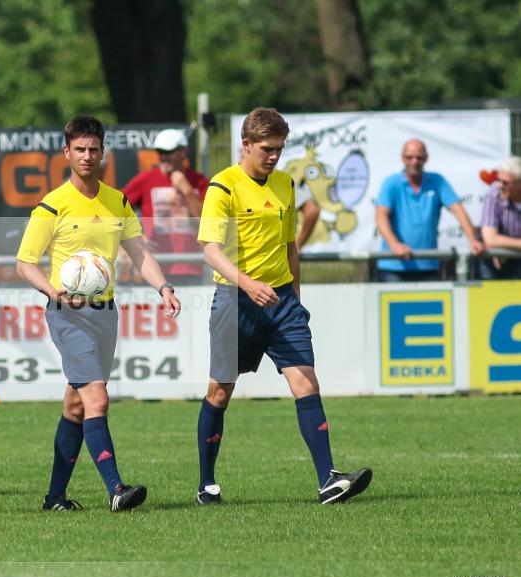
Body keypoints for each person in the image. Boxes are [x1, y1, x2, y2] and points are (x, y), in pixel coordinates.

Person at [197, 107, 372, 505]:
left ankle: (328, 479)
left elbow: (290, 245)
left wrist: (295, 296)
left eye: (278, 148)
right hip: (235, 302)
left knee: (306, 381)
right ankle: (207, 484)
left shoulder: (285, 184)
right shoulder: (222, 187)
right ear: (246, 145)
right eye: (266, 148)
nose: (273, 156)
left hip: (282, 302)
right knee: (220, 391)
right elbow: (210, 249)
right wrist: (247, 283)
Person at [16, 116, 181, 512]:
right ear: (67, 153)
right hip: (67, 314)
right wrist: (53, 290)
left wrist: (163, 286)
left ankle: (54, 498)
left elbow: (139, 252)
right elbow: (24, 263)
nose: (87, 156)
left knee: (75, 406)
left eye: (93, 149)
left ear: (102, 152)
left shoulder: (117, 200)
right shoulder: (52, 205)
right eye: (80, 150)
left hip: (105, 314)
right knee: (97, 399)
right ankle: (116, 489)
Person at [375, 139, 484, 282]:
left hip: (428, 265)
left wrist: (473, 239)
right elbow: (381, 216)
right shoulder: (391, 183)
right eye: (409, 157)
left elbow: (458, 209)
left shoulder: (437, 181)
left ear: (426, 158)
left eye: (419, 157)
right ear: (403, 158)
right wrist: (394, 244)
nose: (414, 161)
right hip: (393, 266)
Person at [122, 128, 208, 284]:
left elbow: (207, 222)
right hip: (153, 267)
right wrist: (136, 235)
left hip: (191, 266)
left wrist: (187, 191)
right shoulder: (146, 179)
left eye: (168, 152)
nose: (163, 157)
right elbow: (116, 209)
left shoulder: (199, 181)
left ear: (183, 152)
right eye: (160, 152)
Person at [480, 156, 521, 279]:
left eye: (505, 182)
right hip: (493, 262)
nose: (499, 186)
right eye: (498, 180)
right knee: (490, 297)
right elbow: (490, 239)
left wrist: (506, 247)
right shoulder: (492, 196)